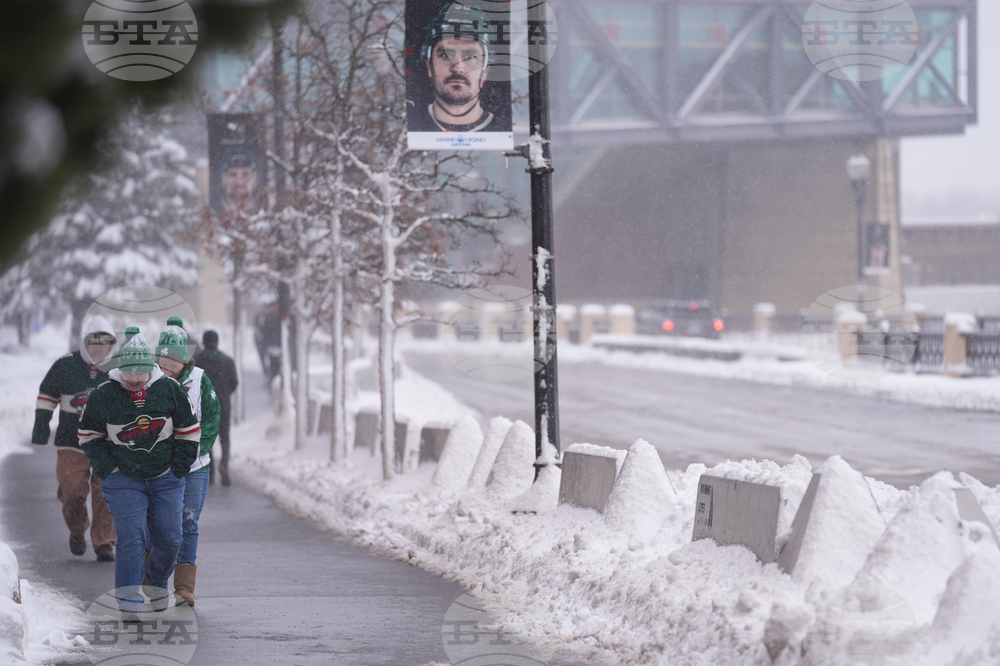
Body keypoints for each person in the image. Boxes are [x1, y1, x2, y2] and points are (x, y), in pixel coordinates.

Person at [78, 333, 200, 617]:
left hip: (166, 478)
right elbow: (87, 435)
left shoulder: (169, 389)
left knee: (170, 538)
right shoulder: (104, 395)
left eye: (141, 372)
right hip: (123, 480)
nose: (134, 378)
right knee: (132, 537)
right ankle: (129, 600)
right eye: (129, 372)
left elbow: (189, 431)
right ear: (120, 369)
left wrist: (178, 467)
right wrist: (109, 468)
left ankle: (156, 582)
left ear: (151, 369)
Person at [32, 315, 118, 561]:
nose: (98, 347)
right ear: (85, 342)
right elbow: (47, 395)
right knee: (72, 490)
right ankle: (77, 529)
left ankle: (104, 543)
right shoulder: (65, 365)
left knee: (107, 492)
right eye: (93, 341)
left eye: (105, 342)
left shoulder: (119, 370)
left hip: (108, 443)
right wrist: (41, 427)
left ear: (112, 344)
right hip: (72, 440)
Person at [154, 319, 219, 605]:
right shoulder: (149, 377)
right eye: (163, 359)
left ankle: (184, 588)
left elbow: (213, 418)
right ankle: (150, 581)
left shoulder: (200, 379)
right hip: (158, 466)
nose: (167, 366)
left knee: (187, 522)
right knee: (155, 523)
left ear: (184, 360)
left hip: (195, 466)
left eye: (173, 360)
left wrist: (195, 450)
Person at [409, 3, 507, 133]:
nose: (457, 67)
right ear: (429, 66)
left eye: (470, 56)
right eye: (445, 55)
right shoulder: (408, 124)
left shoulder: (507, 129)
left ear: (485, 71)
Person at [194, 329, 238, 486]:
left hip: (205, 405)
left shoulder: (197, 361)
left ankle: (210, 470)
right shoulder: (227, 360)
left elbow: (192, 383)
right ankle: (224, 464)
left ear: (204, 342)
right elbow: (235, 383)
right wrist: (224, 394)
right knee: (225, 438)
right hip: (223, 404)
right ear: (217, 342)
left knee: (207, 438)